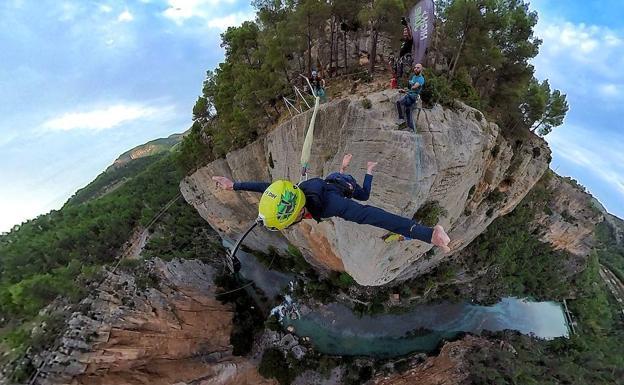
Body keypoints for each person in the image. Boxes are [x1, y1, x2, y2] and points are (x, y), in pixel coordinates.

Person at [212, 154, 451, 252]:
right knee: (339, 178)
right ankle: (343, 167)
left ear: (296, 214)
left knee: (364, 195)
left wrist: (427, 234)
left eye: (290, 222)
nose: (292, 225)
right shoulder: (294, 191)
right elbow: (266, 188)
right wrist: (233, 185)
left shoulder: (334, 206)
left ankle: (363, 170)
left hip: (343, 186)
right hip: (332, 180)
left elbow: (375, 216)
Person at [396, 63, 425, 131]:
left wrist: (411, 86)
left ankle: (401, 119)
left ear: (421, 69)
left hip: (413, 96)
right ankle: (411, 128)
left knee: (399, 102)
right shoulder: (414, 77)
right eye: (415, 67)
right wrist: (404, 90)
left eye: (418, 68)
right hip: (410, 94)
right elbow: (410, 88)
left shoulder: (421, 79)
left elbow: (414, 87)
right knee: (408, 110)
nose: (416, 69)